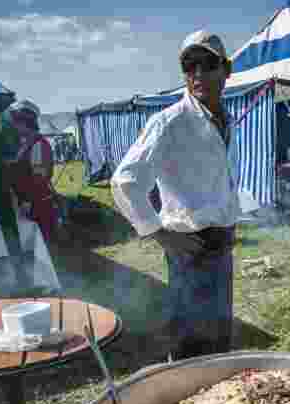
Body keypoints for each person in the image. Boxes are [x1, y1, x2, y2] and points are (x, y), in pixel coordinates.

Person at [111, 29, 239, 361]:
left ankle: (218, 401)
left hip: (220, 243)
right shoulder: (168, 122)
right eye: (189, 65)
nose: (197, 74)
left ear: (226, 70)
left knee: (219, 336)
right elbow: (125, 181)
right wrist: (159, 233)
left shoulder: (223, 119)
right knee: (190, 342)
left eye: (207, 64)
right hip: (188, 247)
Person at [9, 100, 58, 243]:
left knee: (41, 248)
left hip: (38, 207)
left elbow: (39, 178)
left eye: (17, 122)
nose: (14, 126)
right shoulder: (26, 144)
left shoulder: (38, 145)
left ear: (25, 122)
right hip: (30, 205)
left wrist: (27, 201)